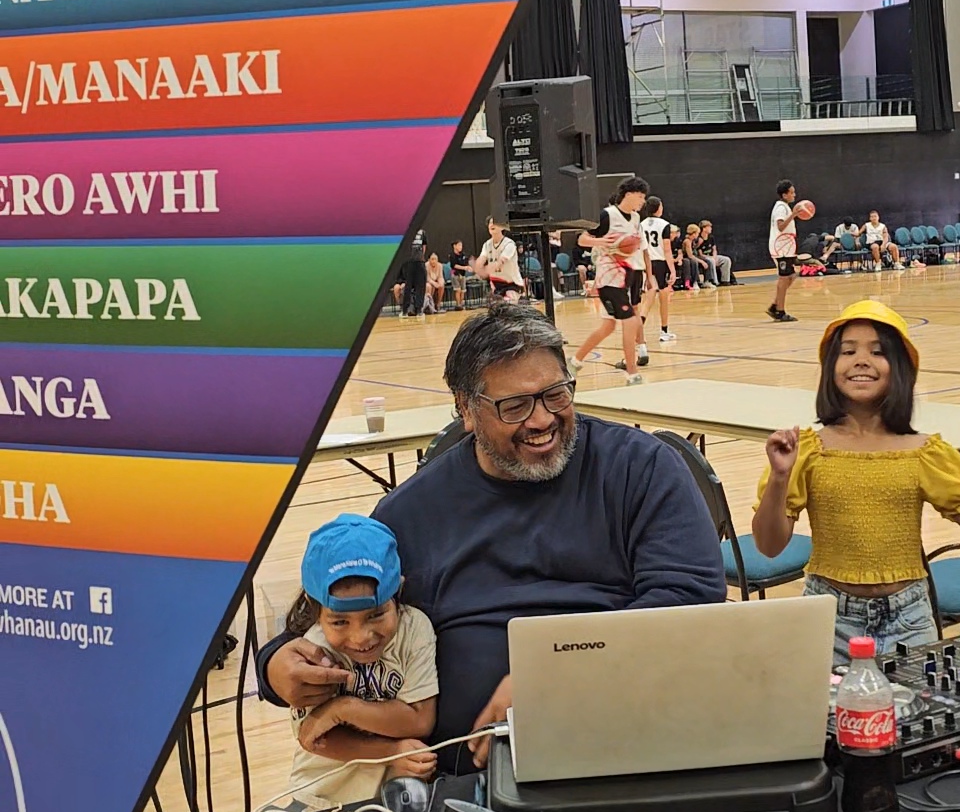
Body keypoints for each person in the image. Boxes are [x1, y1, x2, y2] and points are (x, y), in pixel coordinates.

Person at [258, 306, 726, 765]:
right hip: (464, 778)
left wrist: (559, 671)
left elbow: (690, 600)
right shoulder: (410, 512)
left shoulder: (641, 468)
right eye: (515, 406)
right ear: (466, 409)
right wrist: (275, 665)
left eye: (556, 394)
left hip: (634, 745)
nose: (541, 420)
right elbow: (336, 606)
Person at [752, 300, 960, 665]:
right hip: (828, 619)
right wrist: (780, 477)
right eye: (848, 351)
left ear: (902, 370)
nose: (861, 360)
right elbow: (769, 546)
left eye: (878, 352)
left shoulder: (924, 452)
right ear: (830, 368)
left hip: (908, 620)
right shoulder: (807, 450)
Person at [280, 515, 438, 808]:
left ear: (398, 591)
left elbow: (420, 720)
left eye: (376, 615)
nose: (361, 637)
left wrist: (342, 709)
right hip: (321, 793)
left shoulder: (415, 629)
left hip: (395, 788)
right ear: (315, 610)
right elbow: (313, 738)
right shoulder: (312, 650)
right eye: (340, 622)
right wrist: (391, 752)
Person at [569, 176, 650, 383]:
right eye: (640, 197)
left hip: (626, 276)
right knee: (630, 321)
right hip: (609, 278)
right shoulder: (607, 215)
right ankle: (632, 373)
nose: (643, 201)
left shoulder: (635, 219)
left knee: (608, 327)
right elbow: (581, 239)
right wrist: (600, 241)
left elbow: (633, 247)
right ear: (629, 194)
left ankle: (575, 362)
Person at [640, 195, 676, 345]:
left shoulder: (641, 224)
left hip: (646, 262)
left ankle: (639, 328)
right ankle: (664, 331)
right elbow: (667, 250)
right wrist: (672, 270)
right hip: (660, 262)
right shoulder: (665, 225)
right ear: (658, 208)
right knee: (663, 297)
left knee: (649, 296)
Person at [767, 181, 799, 322]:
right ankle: (780, 311)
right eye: (791, 192)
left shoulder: (784, 206)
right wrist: (793, 215)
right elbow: (780, 226)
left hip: (787, 247)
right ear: (784, 195)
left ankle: (775, 305)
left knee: (792, 275)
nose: (794, 195)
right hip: (781, 247)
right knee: (784, 278)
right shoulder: (781, 208)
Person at [473, 217, 525, 303]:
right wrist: (477, 266)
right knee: (496, 308)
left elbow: (500, 262)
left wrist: (485, 270)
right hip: (496, 284)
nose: (491, 225)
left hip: (511, 284)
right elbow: (482, 258)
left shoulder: (509, 244)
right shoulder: (487, 244)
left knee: (508, 306)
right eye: (490, 223)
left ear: (502, 227)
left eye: (494, 222)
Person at [697, 219, 734, 286]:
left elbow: (714, 249)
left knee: (726, 259)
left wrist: (714, 256)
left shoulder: (711, 237)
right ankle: (715, 281)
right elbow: (700, 254)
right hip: (704, 257)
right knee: (711, 261)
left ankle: (725, 280)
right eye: (709, 227)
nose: (711, 228)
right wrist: (711, 258)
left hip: (712, 256)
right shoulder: (699, 239)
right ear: (704, 228)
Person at [401, 228, 427, 317]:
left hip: (418, 261)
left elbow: (424, 245)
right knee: (409, 286)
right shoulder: (406, 229)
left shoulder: (422, 232)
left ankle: (418, 309)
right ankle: (406, 310)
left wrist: (421, 257)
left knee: (419, 286)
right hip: (410, 261)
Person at [448, 239, 471, 310]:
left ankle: (461, 304)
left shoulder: (463, 255)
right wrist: (464, 268)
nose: (461, 247)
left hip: (463, 274)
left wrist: (468, 267)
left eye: (461, 245)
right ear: (454, 246)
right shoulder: (452, 255)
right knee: (458, 290)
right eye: (459, 245)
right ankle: (458, 304)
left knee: (463, 290)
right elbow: (454, 265)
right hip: (455, 274)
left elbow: (466, 263)